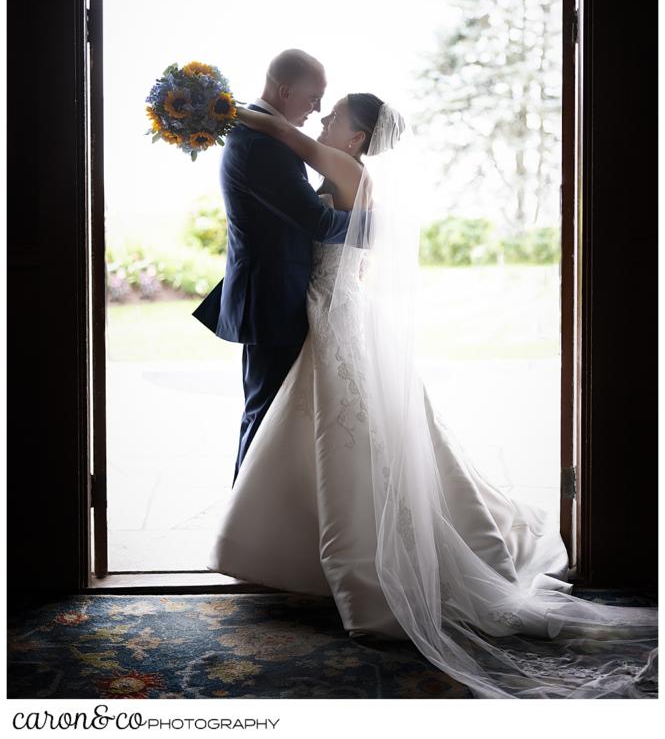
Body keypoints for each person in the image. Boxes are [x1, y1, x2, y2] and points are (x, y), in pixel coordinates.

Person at [204, 94, 658, 699]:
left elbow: (287, 141)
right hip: (336, 307)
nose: (321, 120)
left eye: (333, 114)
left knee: (347, 432)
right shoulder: (355, 174)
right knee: (354, 433)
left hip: (332, 311)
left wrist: (224, 108)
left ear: (357, 137)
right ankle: (310, 555)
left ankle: (357, 569)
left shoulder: (342, 166)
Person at [191, 49, 351, 485]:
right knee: (265, 415)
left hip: (276, 293)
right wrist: (376, 227)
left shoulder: (260, 133)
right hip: (271, 298)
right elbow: (316, 222)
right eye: (314, 97)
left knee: (272, 413)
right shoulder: (262, 145)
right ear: (285, 91)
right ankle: (243, 528)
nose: (317, 108)